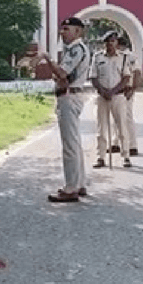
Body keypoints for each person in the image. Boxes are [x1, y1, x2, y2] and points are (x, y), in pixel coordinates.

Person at [40, 17, 90, 202]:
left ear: (78, 31)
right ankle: (79, 183)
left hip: (69, 97)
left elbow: (62, 73)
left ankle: (71, 188)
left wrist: (47, 58)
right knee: (74, 143)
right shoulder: (75, 49)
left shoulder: (76, 49)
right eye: (62, 29)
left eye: (67, 29)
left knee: (70, 145)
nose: (62, 32)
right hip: (72, 95)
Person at [90, 30, 132, 168]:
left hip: (118, 96)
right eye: (107, 42)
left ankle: (126, 156)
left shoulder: (123, 58)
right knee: (101, 128)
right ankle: (101, 157)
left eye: (113, 41)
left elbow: (126, 77)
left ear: (117, 43)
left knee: (122, 127)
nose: (110, 44)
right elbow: (93, 77)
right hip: (102, 97)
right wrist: (103, 91)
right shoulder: (97, 57)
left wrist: (113, 91)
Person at [118, 36, 141, 156]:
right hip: (117, 90)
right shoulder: (116, 56)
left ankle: (132, 145)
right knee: (116, 117)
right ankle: (116, 143)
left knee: (127, 117)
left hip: (126, 90)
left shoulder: (130, 57)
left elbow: (137, 73)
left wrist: (133, 89)